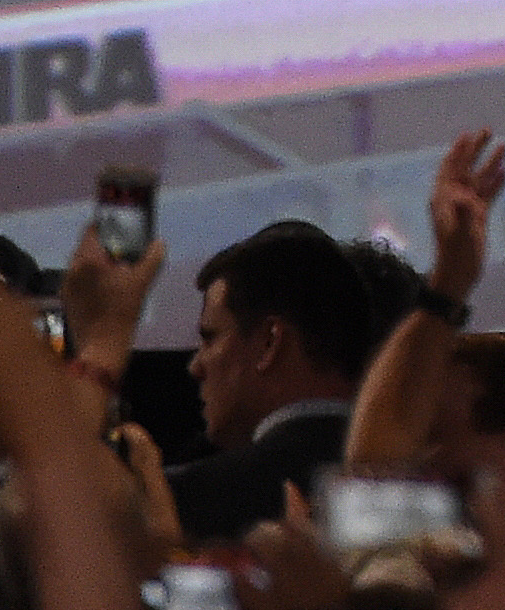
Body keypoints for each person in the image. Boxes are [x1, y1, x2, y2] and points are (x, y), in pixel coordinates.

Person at [161, 224, 380, 542]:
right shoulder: (428, 489)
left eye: (210, 339)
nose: (196, 366)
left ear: (269, 342)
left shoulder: (192, 501)